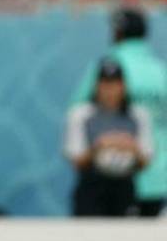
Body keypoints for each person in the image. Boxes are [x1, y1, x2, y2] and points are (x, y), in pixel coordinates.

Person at [72, 8, 167, 216]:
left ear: (117, 33)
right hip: (159, 175)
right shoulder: (161, 71)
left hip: (115, 178)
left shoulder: (109, 66)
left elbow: (79, 113)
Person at [64, 58, 154, 216]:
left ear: (123, 86)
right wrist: (99, 147)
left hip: (124, 189)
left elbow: (145, 161)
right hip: (91, 190)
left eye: (115, 84)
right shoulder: (80, 115)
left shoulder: (138, 115)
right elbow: (77, 161)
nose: (110, 90)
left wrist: (131, 148)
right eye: (105, 84)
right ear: (96, 86)